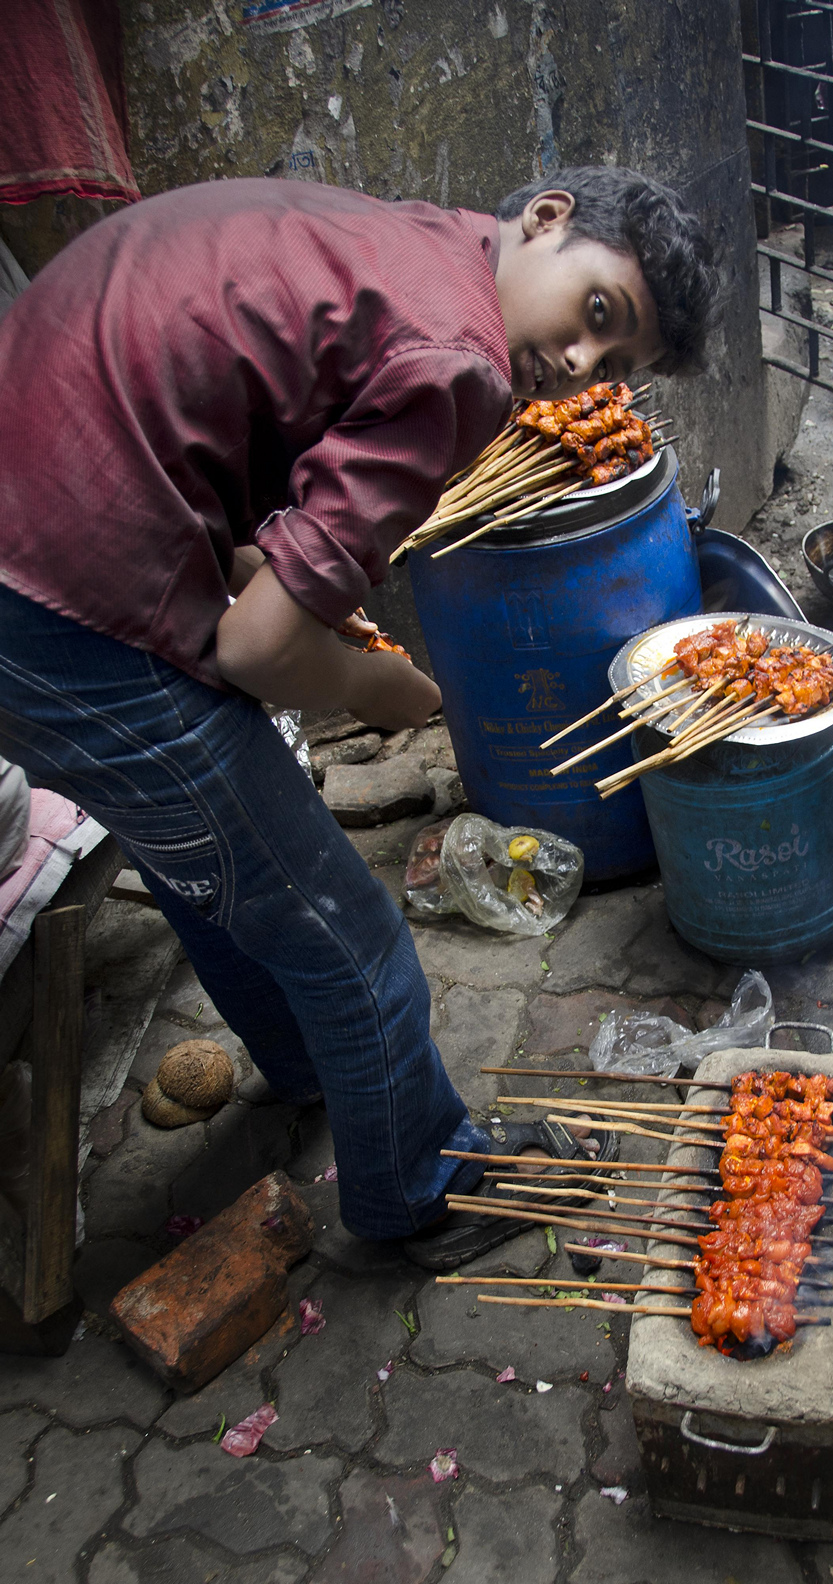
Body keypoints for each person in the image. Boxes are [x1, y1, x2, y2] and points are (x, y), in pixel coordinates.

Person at [0, 166, 719, 1267]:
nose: (581, 365)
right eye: (596, 313)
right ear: (547, 219)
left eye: (615, 364)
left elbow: (202, 413)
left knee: (199, 841)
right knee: (351, 932)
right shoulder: (460, 361)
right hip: (60, 591)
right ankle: (418, 1189)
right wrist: (362, 684)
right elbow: (255, 651)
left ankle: (307, 1064)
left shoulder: (421, 242)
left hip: (46, 510)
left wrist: (268, 580)